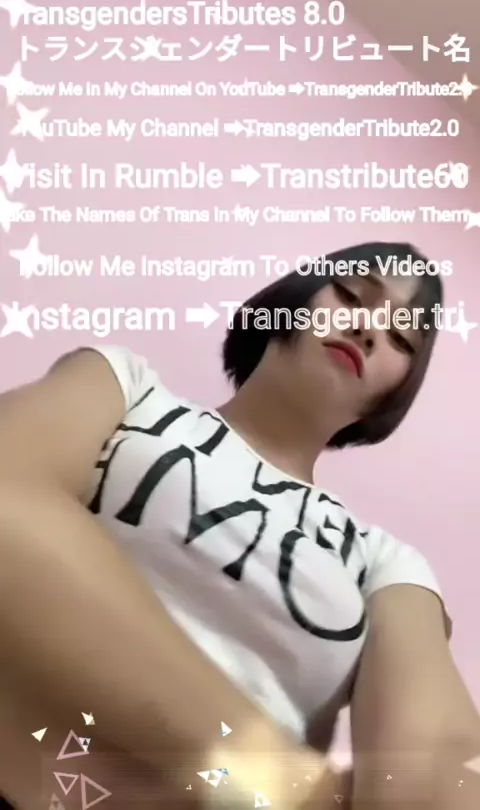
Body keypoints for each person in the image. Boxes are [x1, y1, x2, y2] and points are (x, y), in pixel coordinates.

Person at [0, 240, 479, 810]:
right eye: (353, 296)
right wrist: (280, 778)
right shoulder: (130, 390)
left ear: (394, 392)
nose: (370, 329)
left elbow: (434, 771)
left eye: (402, 338)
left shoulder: (383, 561)